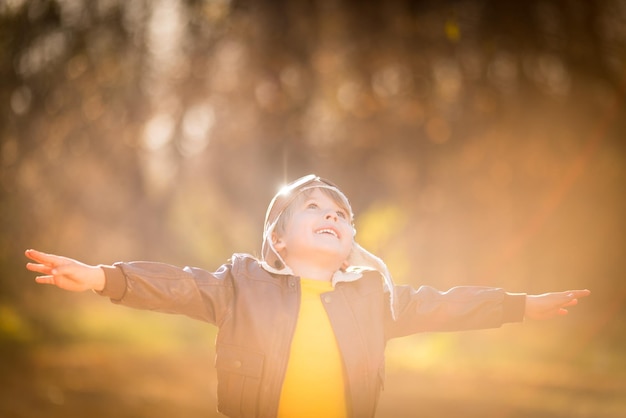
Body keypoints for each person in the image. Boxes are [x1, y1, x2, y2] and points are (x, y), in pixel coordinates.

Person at [25, 174, 590, 418]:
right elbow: (178, 284)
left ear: (349, 246)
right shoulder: (241, 285)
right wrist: (103, 276)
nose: (332, 216)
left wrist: (520, 304)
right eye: (314, 209)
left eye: (341, 215)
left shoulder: (374, 299)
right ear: (277, 238)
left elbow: (445, 302)